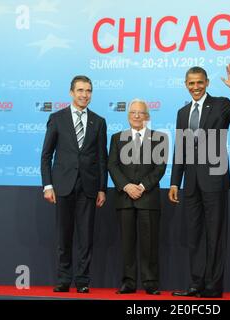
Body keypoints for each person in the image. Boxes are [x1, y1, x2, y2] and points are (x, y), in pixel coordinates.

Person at [169, 64, 230, 298]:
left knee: (215, 235)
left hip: (215, 179)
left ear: (207, 83)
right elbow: (181, 148)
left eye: (199, 82)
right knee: (194, 235)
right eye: (191, 83)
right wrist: (175, 181)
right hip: (191, 183)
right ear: (186, 85)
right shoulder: (182, 113)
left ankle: (213, 287)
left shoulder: (222, 104)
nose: (195, 87)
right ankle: (196, 284)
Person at [40, 75, 108, 293]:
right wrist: (48, 185)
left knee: (86, 237)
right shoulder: (57, 118)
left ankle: (83, 281)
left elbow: (102, 158)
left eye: (88, 91)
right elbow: (46, 155)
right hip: (63, 186)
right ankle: (63, 279)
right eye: (80, 90)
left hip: (89, 187)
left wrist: (102, 188)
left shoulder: (99, 121)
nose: (84, 95)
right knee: (64, 235)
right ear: (71, 92)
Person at [108, 99, 168, 295]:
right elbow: (112, 165)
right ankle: (128, 282)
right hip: (125, 199)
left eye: (140, 113)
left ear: (147, 116)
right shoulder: (117, 138)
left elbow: (160, 168)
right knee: (127, 244)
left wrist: (141, 186)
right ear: (128, 116)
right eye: (132, 112)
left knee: (149, 244)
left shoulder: (159, 138)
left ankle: (150, 282)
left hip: (148, 199)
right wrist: (126, 186)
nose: (136, 115)